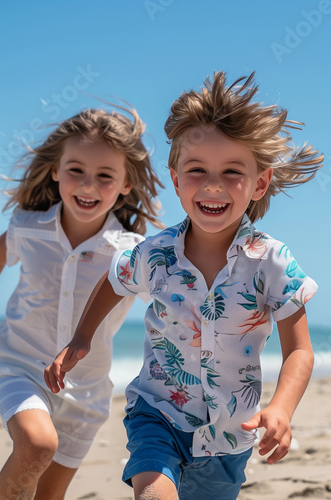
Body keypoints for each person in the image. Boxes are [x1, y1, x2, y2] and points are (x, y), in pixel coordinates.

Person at [45, 72, 323, 500]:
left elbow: (300, 350)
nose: (213, 184)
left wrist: (281, 409)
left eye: (232, 171)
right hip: (156, 412)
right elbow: (115, 279)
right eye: (197, 170)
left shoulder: (272, 261)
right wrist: (81, 338)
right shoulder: (156, 253)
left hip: (230, 434)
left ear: (260, 183)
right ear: (176, 179)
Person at [0, 104, 164, 500]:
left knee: (48, 495)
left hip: (86, 393)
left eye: (105, 176)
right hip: (21, 368)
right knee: (37, 445)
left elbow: (171, 302)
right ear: (56, 170)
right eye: (76, 170)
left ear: (126, 184)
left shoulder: (132, 253)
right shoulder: (29, 228)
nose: (88, 185)